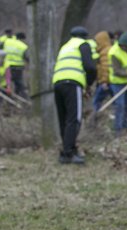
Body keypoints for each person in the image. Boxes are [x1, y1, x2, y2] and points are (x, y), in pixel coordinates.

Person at [52, 26, 97, 164]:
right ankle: (68, 153)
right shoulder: (83, 45)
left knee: (63, 118)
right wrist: (89, 84)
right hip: (73, 83)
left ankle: (66, 149)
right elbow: (90, 67)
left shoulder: (65, 47)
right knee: (74, 118)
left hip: (57, 83)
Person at [92, 31, 113, 113]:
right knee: (117, 101)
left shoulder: (105, 52)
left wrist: (104, 81)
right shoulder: (106, 50)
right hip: (108, 81)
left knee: (96, 101)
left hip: (105, 82)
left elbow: (105, 67)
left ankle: (95, 119)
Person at [3, 32, 29, 98]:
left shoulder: (7, 41)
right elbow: (27, 58)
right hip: (18, 68)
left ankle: (8, 98)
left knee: (6, 83)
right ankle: (20, 97)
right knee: (18, 84)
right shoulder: (23, 46)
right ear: (22, 39)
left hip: (6, 66)